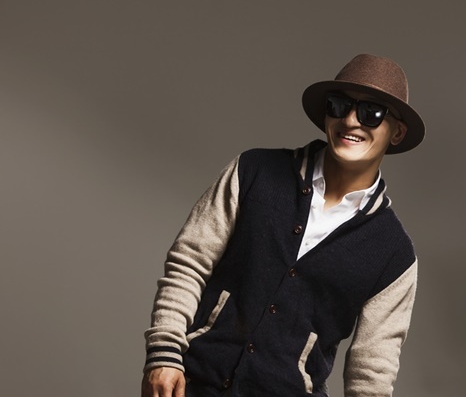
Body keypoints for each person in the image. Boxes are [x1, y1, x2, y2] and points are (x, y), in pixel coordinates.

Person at [141, 53, 426, 397]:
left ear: (397, 132)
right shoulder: (253, 171)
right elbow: (189, 263)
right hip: (191, 385)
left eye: (371, 112)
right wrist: (165, 354)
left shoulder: (393, 253)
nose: (350, 120)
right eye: (339, 105)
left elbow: (373, 370)